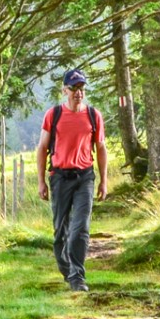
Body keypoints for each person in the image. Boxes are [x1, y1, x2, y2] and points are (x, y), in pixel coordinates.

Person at [37, 69, 108, 291]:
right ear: (64, 90)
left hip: (85, 177)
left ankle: (78, 277)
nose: (78, 93)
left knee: (80, 229)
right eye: (74, 88)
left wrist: (104, 181)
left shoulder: (93, 116)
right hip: (59, 177)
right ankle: (67, 271)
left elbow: (101, 148)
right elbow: (41, 148)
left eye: (81, 88)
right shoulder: (54, 115)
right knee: (61, 232)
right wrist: (41, 181)